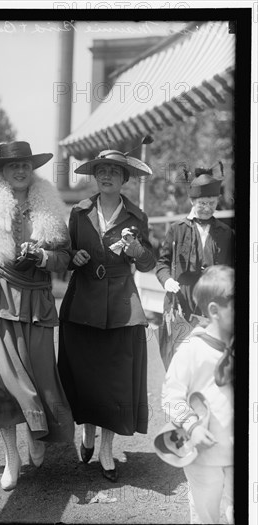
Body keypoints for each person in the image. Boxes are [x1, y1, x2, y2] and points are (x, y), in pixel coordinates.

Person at [0, 141, 75, 491]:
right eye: (11, 166)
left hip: (36, 301)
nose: (20, 171)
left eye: (25, 165)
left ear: (32, 170)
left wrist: (44, 258)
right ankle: (10, 456)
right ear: (2, 171)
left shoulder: (50, 207)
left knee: (39, 378)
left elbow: (65, 257)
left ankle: (36, 435)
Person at [58, 148, 156, 482]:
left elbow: (147, 262)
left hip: (121, 308)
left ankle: (106, 449)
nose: (107, 176)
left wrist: (137, 251)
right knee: (85, 375)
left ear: (125, 178)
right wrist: (75, 258)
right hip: (82, 303)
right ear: (94, 176)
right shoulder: (79, 212)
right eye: (101, 170)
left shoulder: (137, 216)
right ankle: (87, 432)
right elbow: (64, 255)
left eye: (114, 171)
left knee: (115, 380)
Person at [160, 265, 234, 524]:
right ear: (214, 311)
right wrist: (192, 426)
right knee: (206, 515)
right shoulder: (192, 349)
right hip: (204, 453)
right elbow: (171, 397)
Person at [156, 168, 234, 322]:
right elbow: (162, 263)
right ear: (192, 201)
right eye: (202, 203)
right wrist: (167, 280)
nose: (207, 208)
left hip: (214, 302)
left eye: (212, 203)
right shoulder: (176, 229)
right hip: (182, 301)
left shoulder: (226, 233)